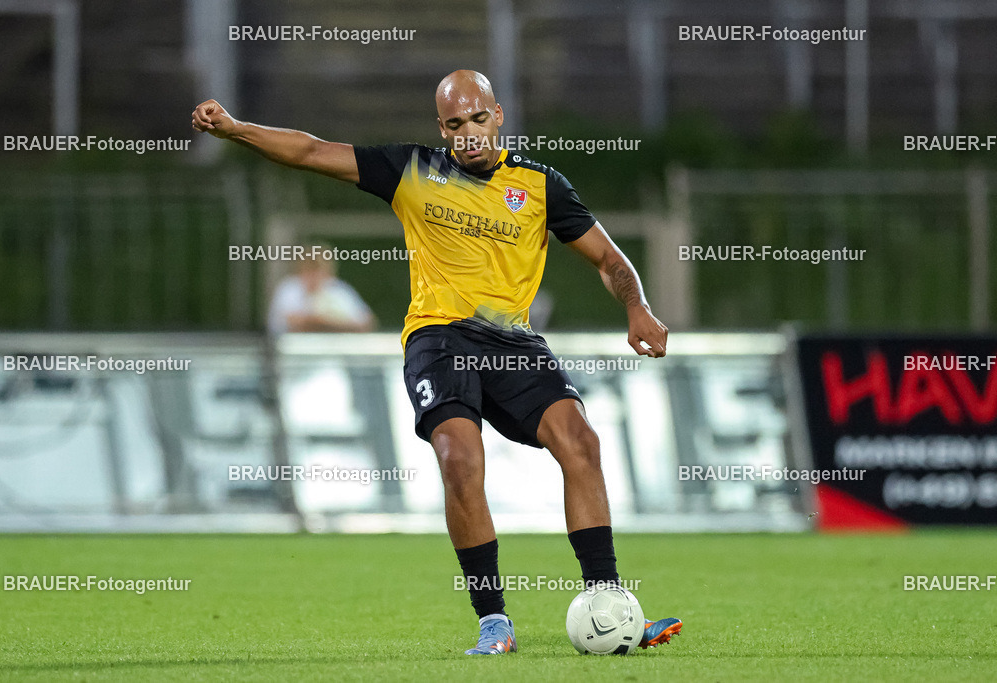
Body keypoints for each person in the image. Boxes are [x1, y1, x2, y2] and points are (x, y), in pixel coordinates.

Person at [192, 70, 681, 655]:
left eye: (478, 119)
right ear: (441, 128)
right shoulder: (411, 171)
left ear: (498, 115)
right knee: (459, 457)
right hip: (438, 338)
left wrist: (638, 307)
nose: (468, 134)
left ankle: (609, 602)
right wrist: (235, 128)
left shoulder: (540, 185)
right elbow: (311, 151)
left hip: (513, 342)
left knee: (582, 443)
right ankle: (494, 622)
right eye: (455, 125)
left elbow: (607, 257)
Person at [267, 252, 376, 334]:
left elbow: (366, 322)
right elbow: (293, 322)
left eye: (319, 268)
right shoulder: (290, 288)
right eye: (310, 267)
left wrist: (320, 322)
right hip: (292, 357)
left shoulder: (339, 290)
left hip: (331, 358)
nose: (315, 275)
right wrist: (335, 322)